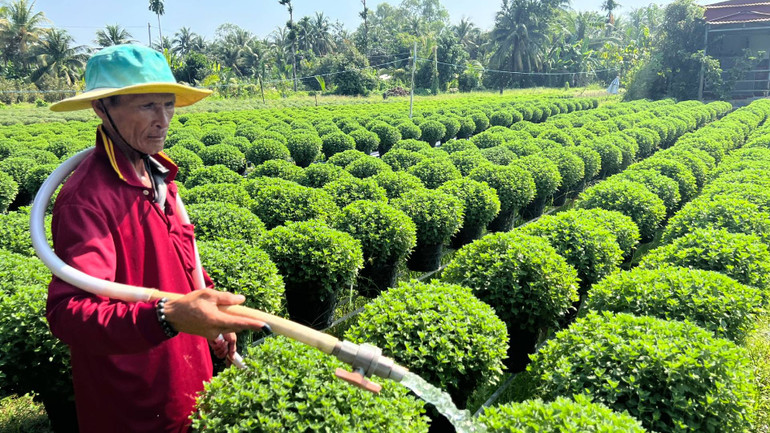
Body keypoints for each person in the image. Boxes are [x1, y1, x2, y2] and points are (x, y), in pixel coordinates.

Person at [46, 44, 265, 433]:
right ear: (102, 109)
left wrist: (213, 310)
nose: (163, 120)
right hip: (133, 398)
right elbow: (69, 315)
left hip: (186, 372)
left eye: (168, 105)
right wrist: (165, 317)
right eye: (147, 107)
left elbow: (185, 262)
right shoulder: (87, 198)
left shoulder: (158, 175)